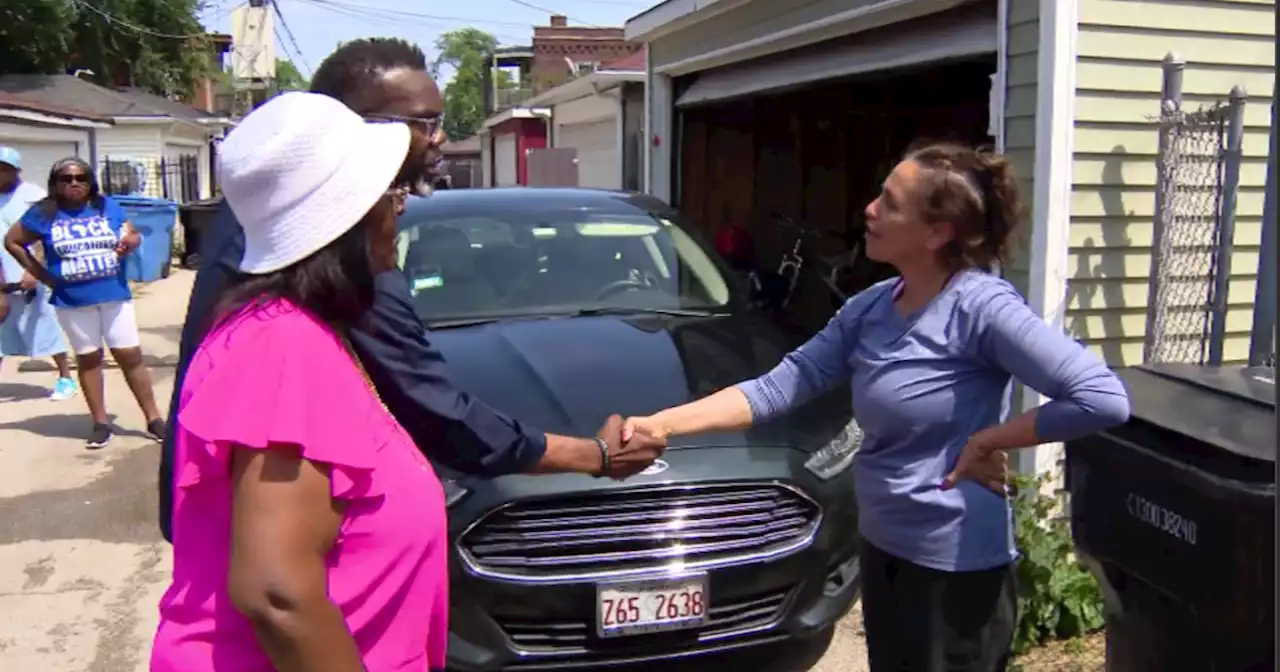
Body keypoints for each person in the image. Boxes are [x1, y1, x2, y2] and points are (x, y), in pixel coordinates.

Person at [622, 143, 1132, 672]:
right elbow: (780, 387)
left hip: (954, 573)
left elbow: (1100, 398)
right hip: (885, 551)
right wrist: (661, 425)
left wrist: (989, 440)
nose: (869, 209)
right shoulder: (873, 307)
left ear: (937, 233)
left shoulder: (980, 307)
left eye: (889, 202)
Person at [157, 38, 665, 543]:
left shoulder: (270, 214)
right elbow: (433, 406)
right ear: (357, 131)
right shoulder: (324, 249)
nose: (441, 138)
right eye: (425, 123)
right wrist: (590, 455)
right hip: (265, 556)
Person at [153, 89, 451, 672]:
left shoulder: (299, 332)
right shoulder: (281, 348)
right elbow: (276, 595)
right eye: (392, 194)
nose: (402, 208)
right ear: (348, 218)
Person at [3, 158, 165, 448]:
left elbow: (133, 232)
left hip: (113, 295)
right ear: (56, 183)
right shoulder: (43, 213)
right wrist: (42, 275)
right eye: (66, 179)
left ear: (90, 182)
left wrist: (132, 241)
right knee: (89, 358)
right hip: (72, 300)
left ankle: (154, 418)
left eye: (80, 177)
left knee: (129, 355)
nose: (74, 183)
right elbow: (12, 241)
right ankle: (100, 423)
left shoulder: (105, 205)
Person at [0, 147, 77, 399]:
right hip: (2, 276)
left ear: (16, 170)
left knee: (46, 326)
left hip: (32, 275)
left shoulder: (34, 196)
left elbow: (47, 237)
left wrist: (34, 270)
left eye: (4, 168)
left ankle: (66, 378)